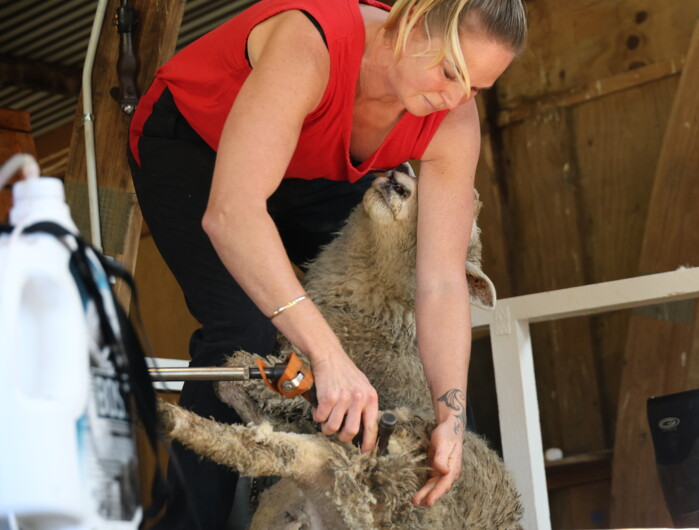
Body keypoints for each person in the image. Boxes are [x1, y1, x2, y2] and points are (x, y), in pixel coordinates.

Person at [127, 0, 526, 527]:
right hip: (195, 143)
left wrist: (450, 418)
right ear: (408, 22)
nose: (454, 98)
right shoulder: (311, 42)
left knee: (432, 375)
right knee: (243, 324)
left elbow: (441, 282)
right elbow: (233, 214)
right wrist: (327, 355)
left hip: (312, 166)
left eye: (475, 87)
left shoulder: (451, 116)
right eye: (450, 71)